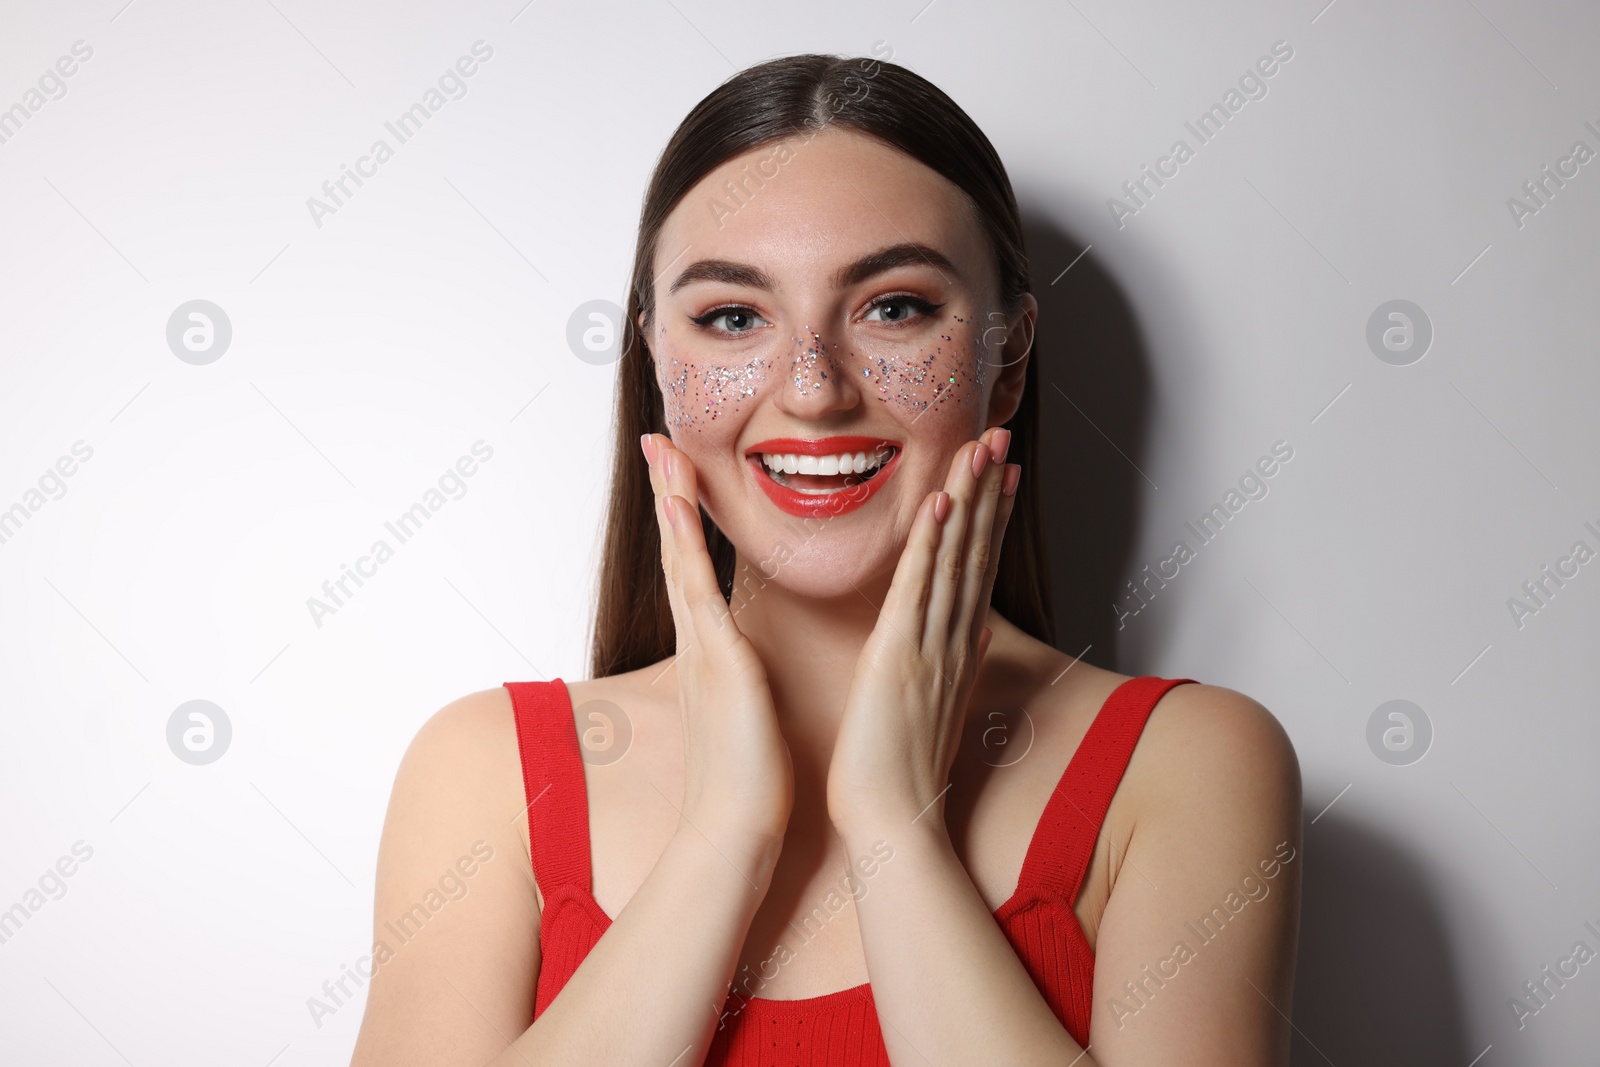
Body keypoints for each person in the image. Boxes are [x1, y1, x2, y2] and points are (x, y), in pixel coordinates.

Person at [351, 53, 1301, 1066]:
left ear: (1007, 357)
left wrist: (895, 828)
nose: (812, 390)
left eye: (892, 306)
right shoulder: (485, 772)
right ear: (654, 364)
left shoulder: (1187, 765)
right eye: (731, 317)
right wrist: (722, 835)